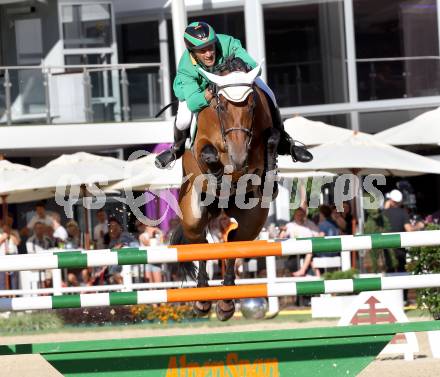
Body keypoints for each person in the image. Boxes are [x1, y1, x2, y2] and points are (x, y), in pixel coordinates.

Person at [155, 21, 312, 169]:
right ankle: (176, 148)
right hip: (198, 89)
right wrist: (210, 90)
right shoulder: (186, 67)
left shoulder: (228, 43)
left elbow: (255, 68)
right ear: (192, 52)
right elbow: (195, 103)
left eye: (211, 47)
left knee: (268, 92)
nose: (209, 54)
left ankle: (284, 142)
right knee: (183, 120)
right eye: (202, 51)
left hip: (230, 82)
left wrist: (244, 67)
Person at [383, 189, 424, 273]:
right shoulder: (403, 213)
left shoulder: (383, 213)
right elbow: (409, 229)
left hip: (387, 246)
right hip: (399, 247)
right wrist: (419, 226)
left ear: (390, 200)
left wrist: (386, 207)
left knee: (389, 271)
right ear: (400, 201)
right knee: (402, 271)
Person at [280, 208, 320, 277]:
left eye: (301, 215)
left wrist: (320, 234)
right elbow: (281, 238)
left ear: (304, 215)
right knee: (310, 253)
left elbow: (318, 234)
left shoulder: (310, 224)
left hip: (309, 247)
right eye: (298, 215)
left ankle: (303, 271)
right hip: (296, 248)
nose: (299, 216)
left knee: (309, 251)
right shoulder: (290, 225)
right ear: (294, 215)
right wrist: (283, 231)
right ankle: (316, 275)